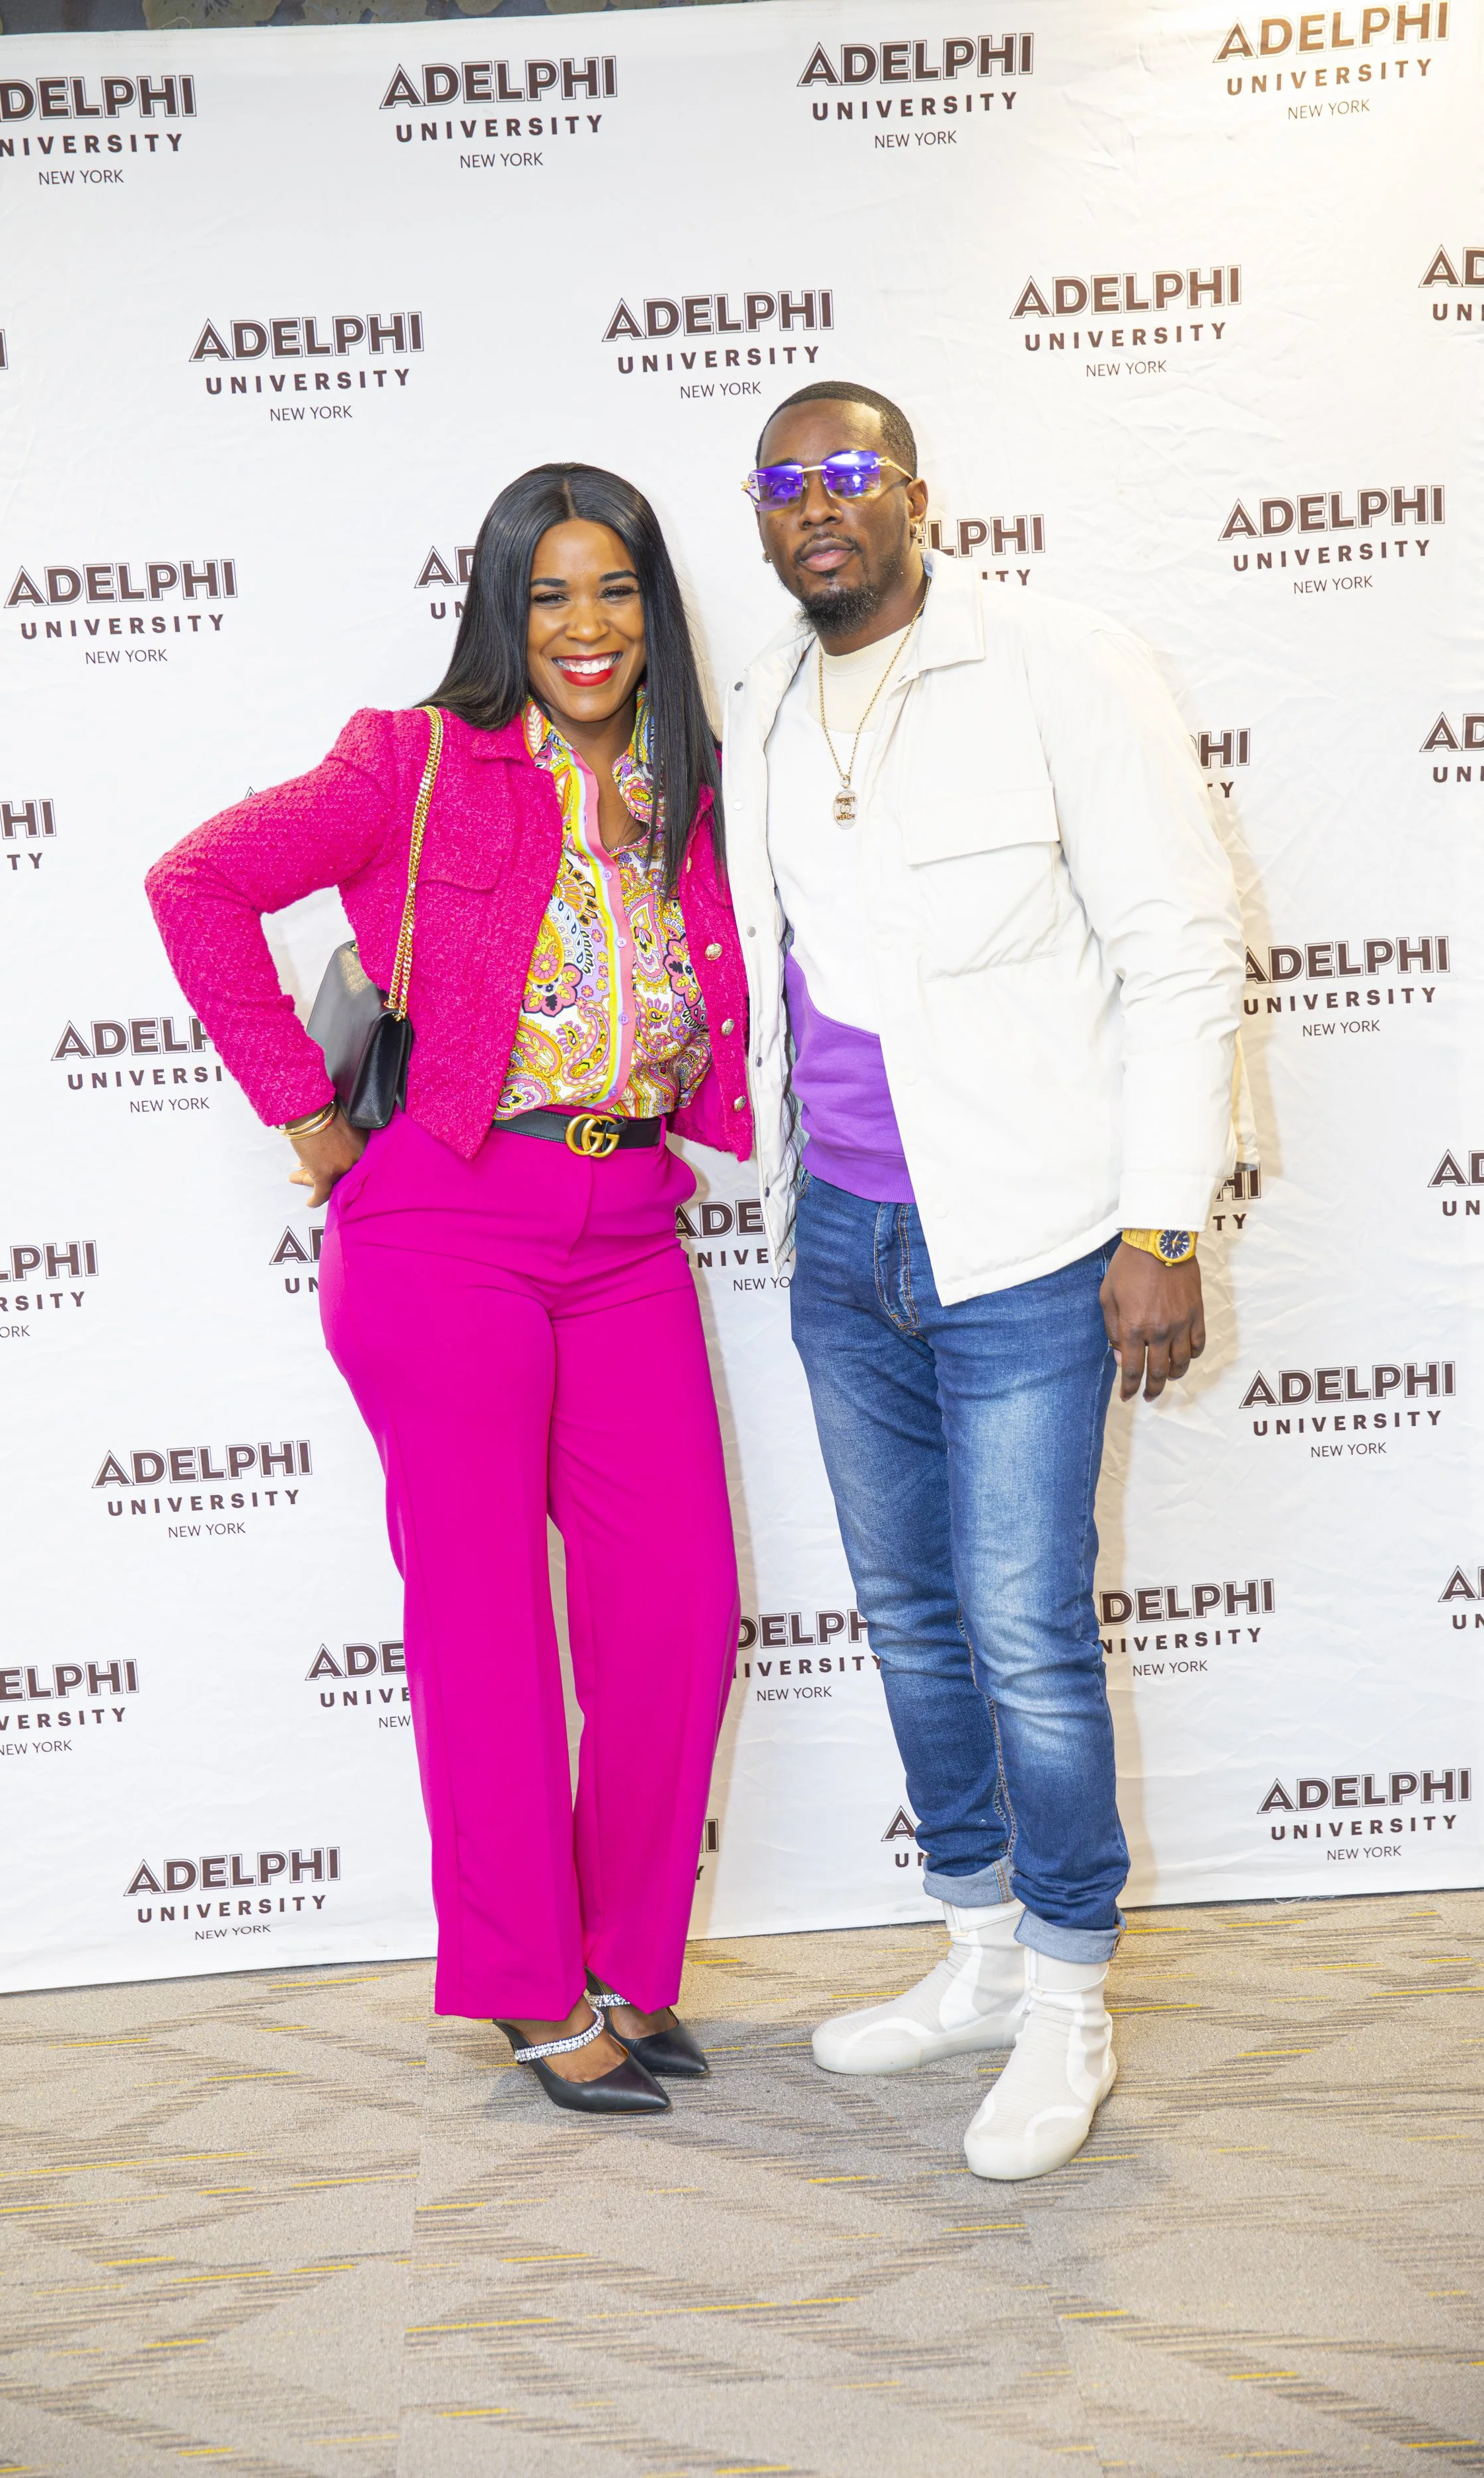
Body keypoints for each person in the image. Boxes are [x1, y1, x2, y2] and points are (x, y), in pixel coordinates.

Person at [147, 465, 752, 2117]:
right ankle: (528, 1987)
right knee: (486, 1627)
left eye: (613, 589)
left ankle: (623, 1961)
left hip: (627, 1224)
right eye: (547, 594)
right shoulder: (409, 760)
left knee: (677, 1607)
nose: (584, 627)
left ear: (653, 607)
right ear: (499, 610)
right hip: (442, 1223)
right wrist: (306, 1113)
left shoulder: (684, 777)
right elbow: (195, 885)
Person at [722, 383, 1247, 2180]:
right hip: (839, 1237)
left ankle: (1069, 1991)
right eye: (784, 482)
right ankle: (979, 1948)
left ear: (915, 495)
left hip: (1025, 1241)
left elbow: (1178, 945)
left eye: (848, 472)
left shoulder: (1054, 662)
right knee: (909, 1616)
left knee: (1024, 1628)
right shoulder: (764, 700)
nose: (817, 505)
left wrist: (1160, 1222)